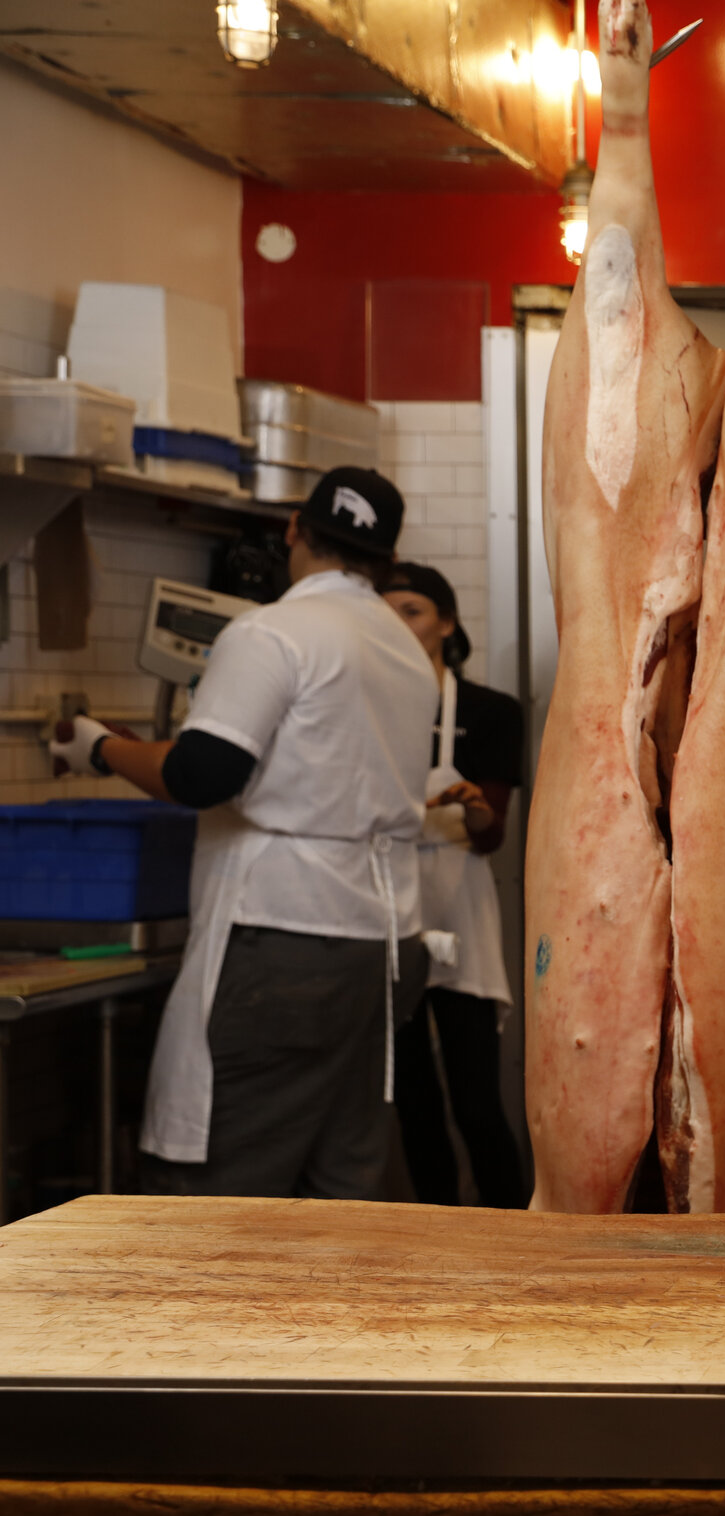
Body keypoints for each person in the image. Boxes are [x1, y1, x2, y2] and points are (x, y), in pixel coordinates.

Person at [51, 466, 436, 1198]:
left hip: (284, 941)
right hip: (380, 944)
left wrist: (99, 748)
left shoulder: (272, 632)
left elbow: (202, 774)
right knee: (341, 1186)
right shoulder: (401, 647)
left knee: (222, 1193)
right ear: (385, 555)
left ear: (294, 528)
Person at [379, 562, 530, 1208]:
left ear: (446, 622)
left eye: (412, 610)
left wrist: (471, 809)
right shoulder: (364, 705)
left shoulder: (490, 712)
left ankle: (518, 1235)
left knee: (475, 1101)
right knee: (412, 1099)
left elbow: (491, 836)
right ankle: (435, 1245)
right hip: (389, 912)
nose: (399, 624)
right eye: (386, 610)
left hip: (462, 914)